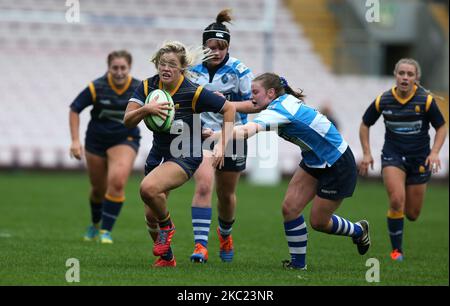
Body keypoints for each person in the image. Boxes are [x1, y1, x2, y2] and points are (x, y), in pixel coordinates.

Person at [211, 72, 371, 270]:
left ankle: (358, 230)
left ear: (270, 93)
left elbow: (245, 131)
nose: (251, 97)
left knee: (319, 222)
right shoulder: (280, 101)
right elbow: (252, 106)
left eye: (255, 92)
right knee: (290, 208)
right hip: (315, 160)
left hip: (337, 163)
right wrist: (221, 109)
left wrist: (219, 137)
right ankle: (298, 265)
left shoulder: (279, 110)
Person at [124, 41, 236, 267]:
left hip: (186, 153)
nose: (166, 68)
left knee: (148, 188)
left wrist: (222, 145)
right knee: (150, 213)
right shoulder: (147, 88)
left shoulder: (193, 92)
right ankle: (167, 259)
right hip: (159, 153)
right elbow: (127, 121)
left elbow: (229, 109)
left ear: (182, 68)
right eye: (162, 63)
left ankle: (168, 227)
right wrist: (147, 109)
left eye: (172, 65)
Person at [359, 58, 447, 261]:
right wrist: (367, 153)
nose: (405, 77)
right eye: (402, 73)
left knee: (413, 214)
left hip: (419, 159)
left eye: (410, 74)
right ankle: (396, 251)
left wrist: (434, 152)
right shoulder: (384, 99)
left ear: (416, 78)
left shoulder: (425, 100)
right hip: (393, 155)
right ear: (395, 75)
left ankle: (400, 224)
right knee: (397, 200)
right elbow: (365, 124)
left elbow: (441, 127)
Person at [187, 9, 257, 263]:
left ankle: (225, 235)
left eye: (221, 46)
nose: (216, 51)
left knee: (226, 195)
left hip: (233, 135)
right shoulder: (191, 69)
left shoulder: (240, 71)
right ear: (203, 45)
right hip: (202, 134)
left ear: (228, 47)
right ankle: (200, 246)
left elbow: (254, 104)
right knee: (205, 184)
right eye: (211, 46)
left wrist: (225, 104)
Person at [69, 50, 141, 244]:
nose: (119, 72)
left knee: (117, 182)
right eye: (115, 68)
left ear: (129, 68)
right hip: (96, 140)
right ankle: (95, 224)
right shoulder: (96, 87)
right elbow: (75, 108)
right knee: (98, 189)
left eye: (123, 68)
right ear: (108, 68)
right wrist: (75, 141)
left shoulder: (138, 88)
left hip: (125, 138)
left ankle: (106, 232)